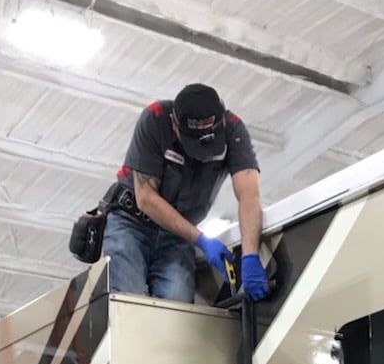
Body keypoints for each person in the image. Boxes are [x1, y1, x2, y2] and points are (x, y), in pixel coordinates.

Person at [102, 83, 268, 303]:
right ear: (175, 124)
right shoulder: (156, 118)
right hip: (132, 223)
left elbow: (249, 194)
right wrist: (201, 239)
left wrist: (250, 256)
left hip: (177, 235)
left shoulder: (233, 130)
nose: (202, 156)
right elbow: (146, 198)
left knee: (177, 300)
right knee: (128, 299)